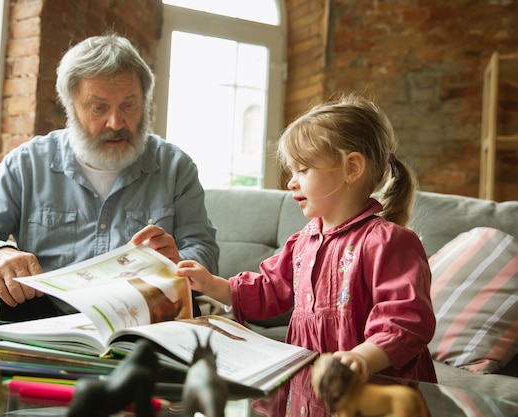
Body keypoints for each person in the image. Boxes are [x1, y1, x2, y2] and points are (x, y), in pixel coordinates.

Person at [176, 94, 437, 416]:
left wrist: (363, 357)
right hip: (310, 389)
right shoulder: (302, 243)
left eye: (302, 169)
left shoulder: (389, 242)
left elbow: (406, 319)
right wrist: (212, 284)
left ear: (351, 168)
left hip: (373, 390)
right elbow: (270, 289)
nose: (290, 181)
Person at [0, 33, 219, 321]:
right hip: (43, 318)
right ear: (70, 106)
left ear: (145, 102)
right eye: (99, 107)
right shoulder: (28, 164)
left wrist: (181, 262)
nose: (116, 122)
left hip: (144, 318)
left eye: (129, 105)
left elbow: (205, 251)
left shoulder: (175, 167)